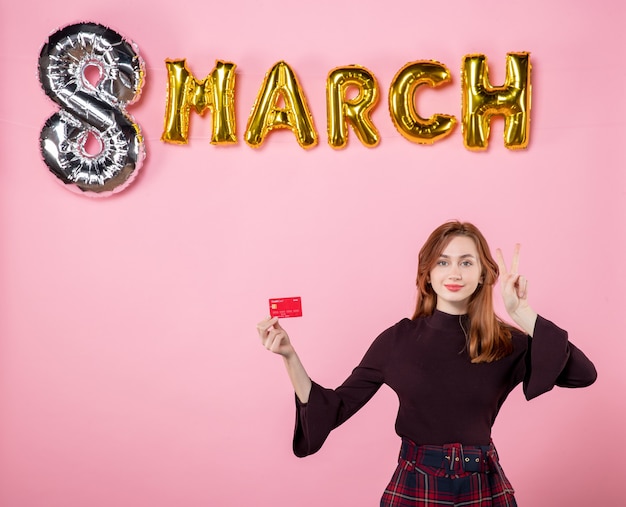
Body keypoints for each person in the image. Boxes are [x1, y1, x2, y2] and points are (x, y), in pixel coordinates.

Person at [256, 221, 597, 507]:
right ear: (428, 273)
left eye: (466, 262)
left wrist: (522, 312)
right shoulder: (397, 340)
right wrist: (289, 356)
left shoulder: (506, 343)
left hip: (484, 485)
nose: (454, 272)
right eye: (443, 262)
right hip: (415, 484)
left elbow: (583, 374)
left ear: (482, 274)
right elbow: (335, 407)